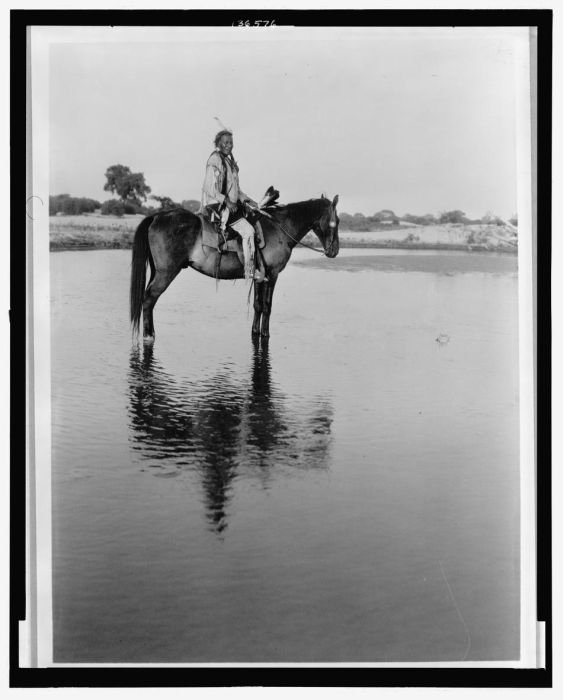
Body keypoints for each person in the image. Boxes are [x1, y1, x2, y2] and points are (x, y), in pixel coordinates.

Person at [201, 129, 267, 281]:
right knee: (249, 231)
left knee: (255, 218)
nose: (228, 145)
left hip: (231, 204)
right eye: (225, 142)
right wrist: (227, 201)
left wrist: (251, 202)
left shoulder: (229, 163)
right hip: (217, 205)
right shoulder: (215, 160)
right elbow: (208, 187)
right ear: (218, 144)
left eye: (230, 143)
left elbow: (237, 191)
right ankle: (249, 271)